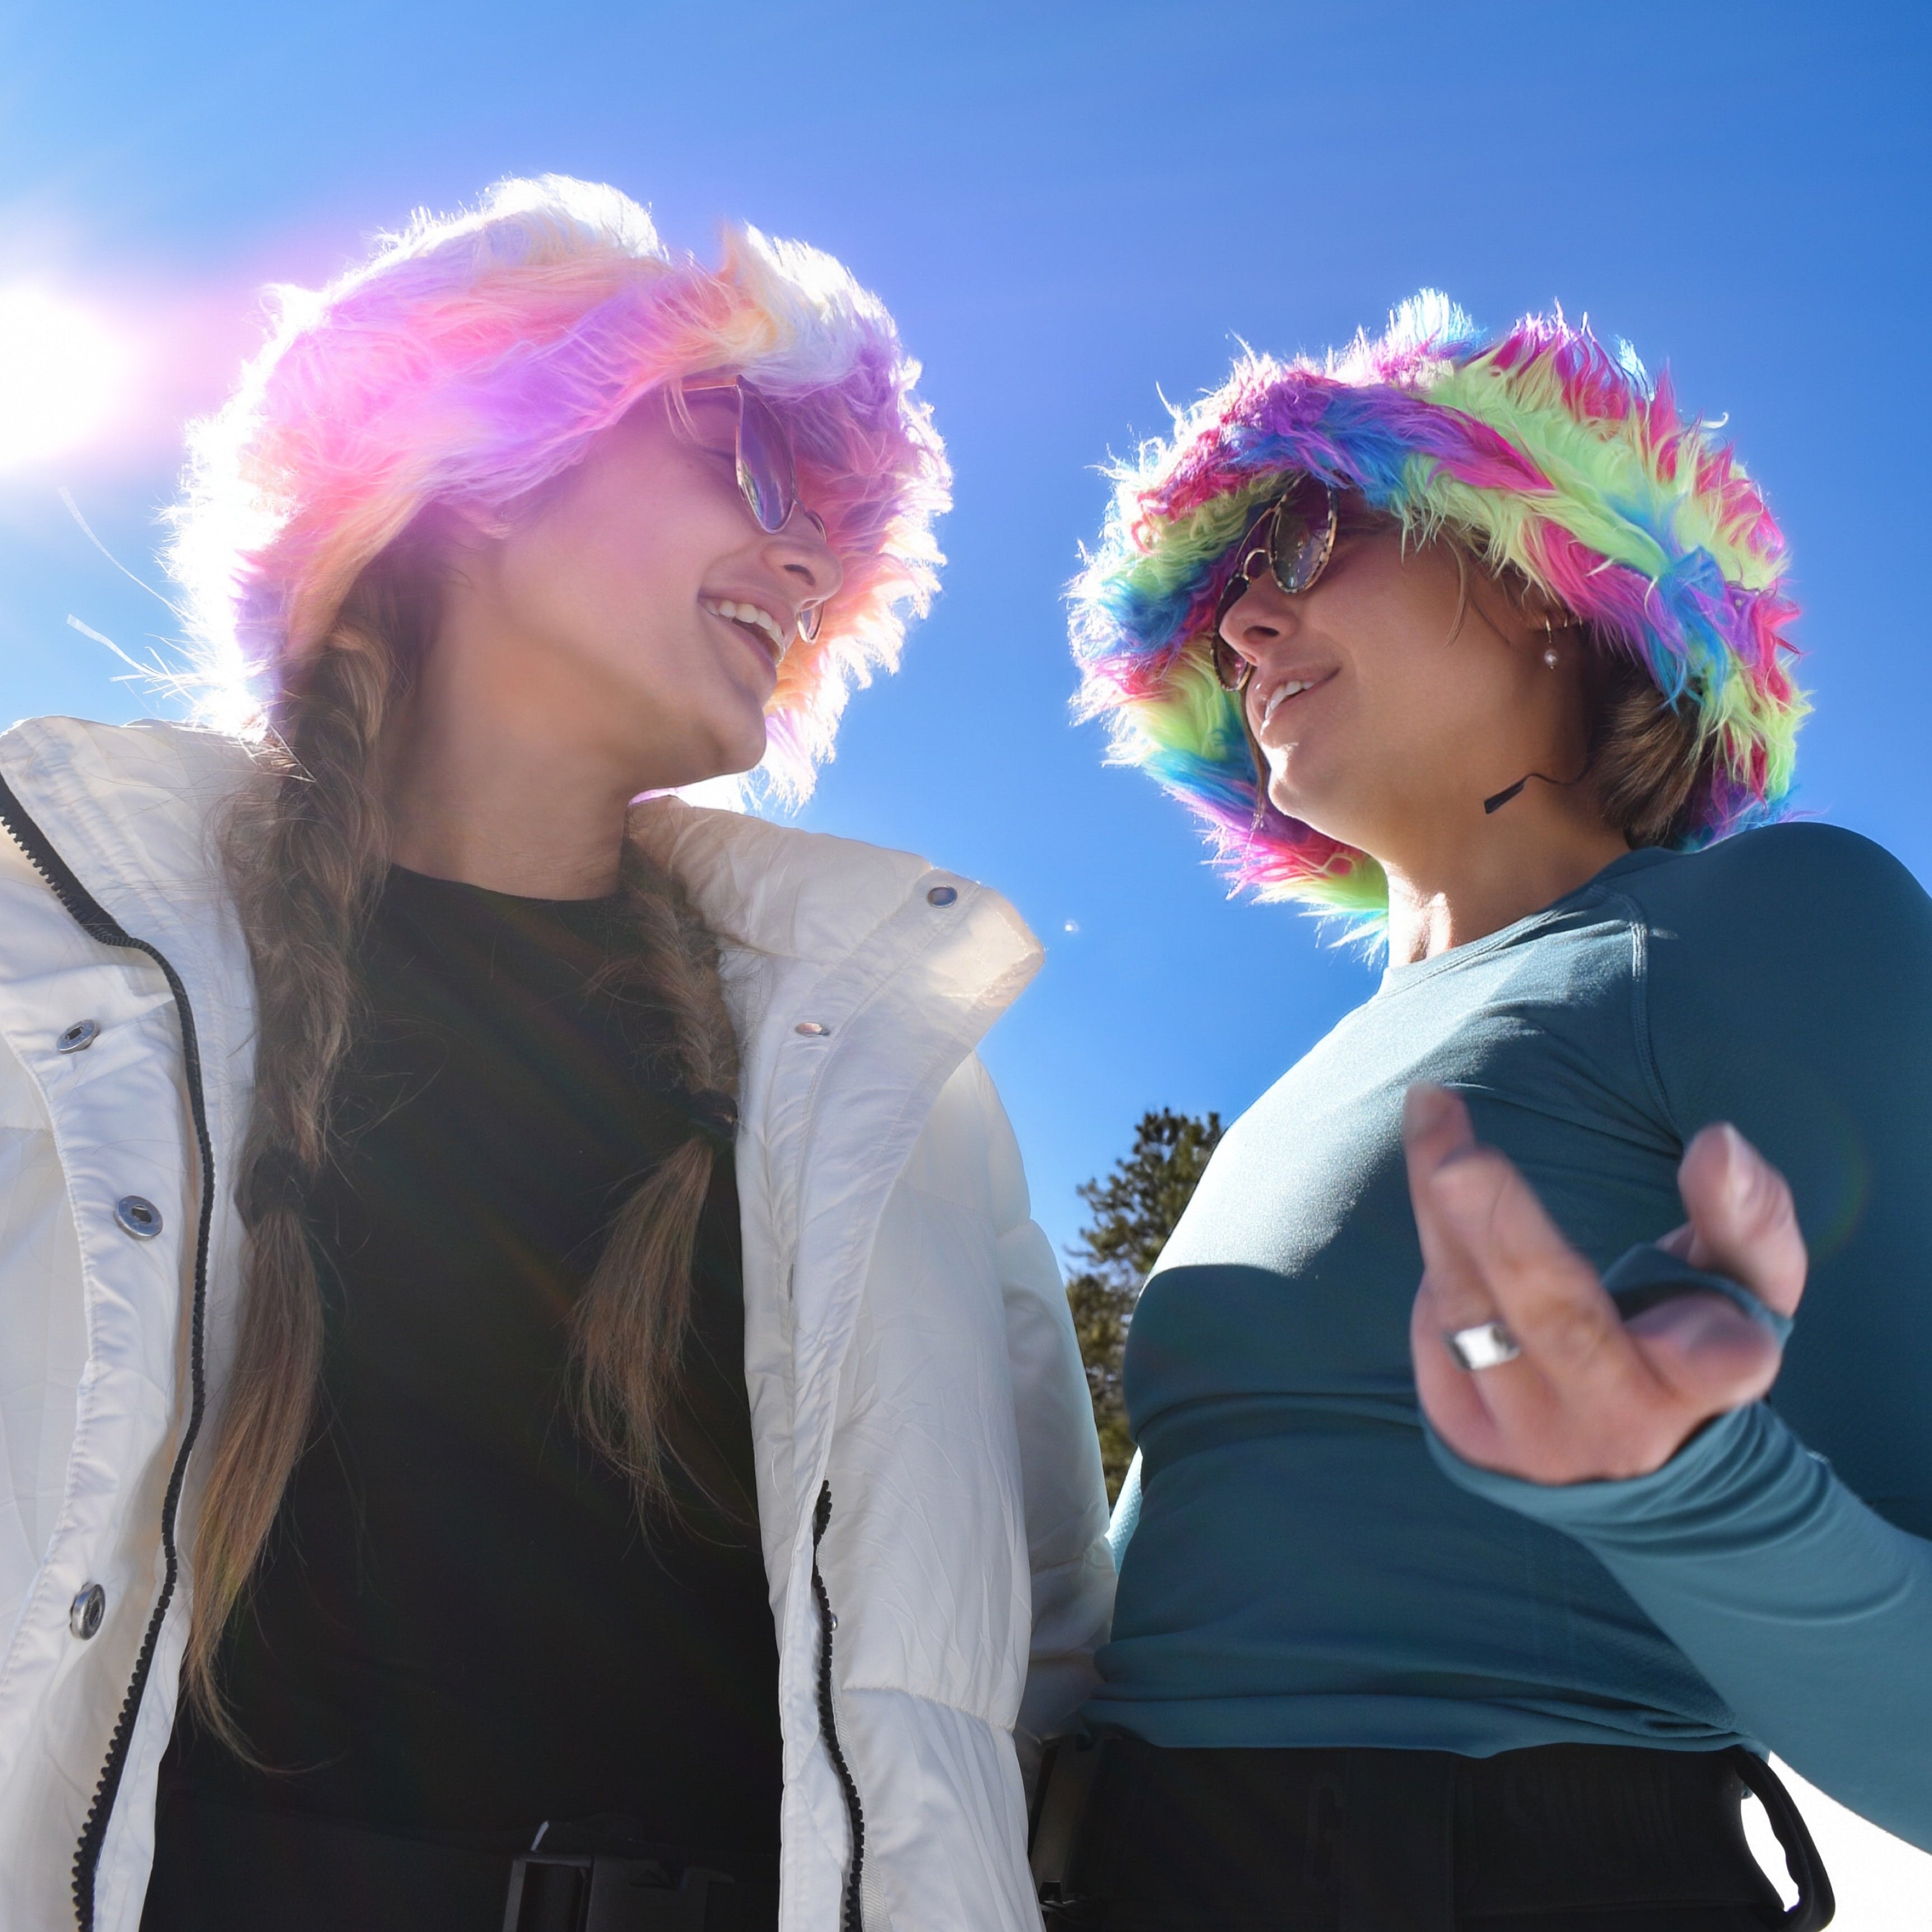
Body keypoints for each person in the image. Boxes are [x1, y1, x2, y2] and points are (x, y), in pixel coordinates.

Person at [0, 176, 1111, 1932]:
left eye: (831, 519)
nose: (810, 558)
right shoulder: (52, 975)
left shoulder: (888, 1084)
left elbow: (1038, 1654)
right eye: (743, 457)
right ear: (468, 455)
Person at [1040, 294, 1932, 1929]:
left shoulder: (1770, 922)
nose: (1242, 627)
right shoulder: (1306, 1081)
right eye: (1222, 598)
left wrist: (1676, 1486)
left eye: (1304, 539)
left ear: (1545, 575)